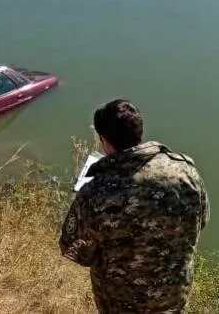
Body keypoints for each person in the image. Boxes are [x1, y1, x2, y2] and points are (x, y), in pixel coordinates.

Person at [59, 99, 209, 313]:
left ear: (105, 141)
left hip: (120, 305)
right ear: (139, 132)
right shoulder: (185, 172)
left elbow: (75, 250)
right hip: (172, 299)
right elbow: (200, 221)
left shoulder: (96, 193)